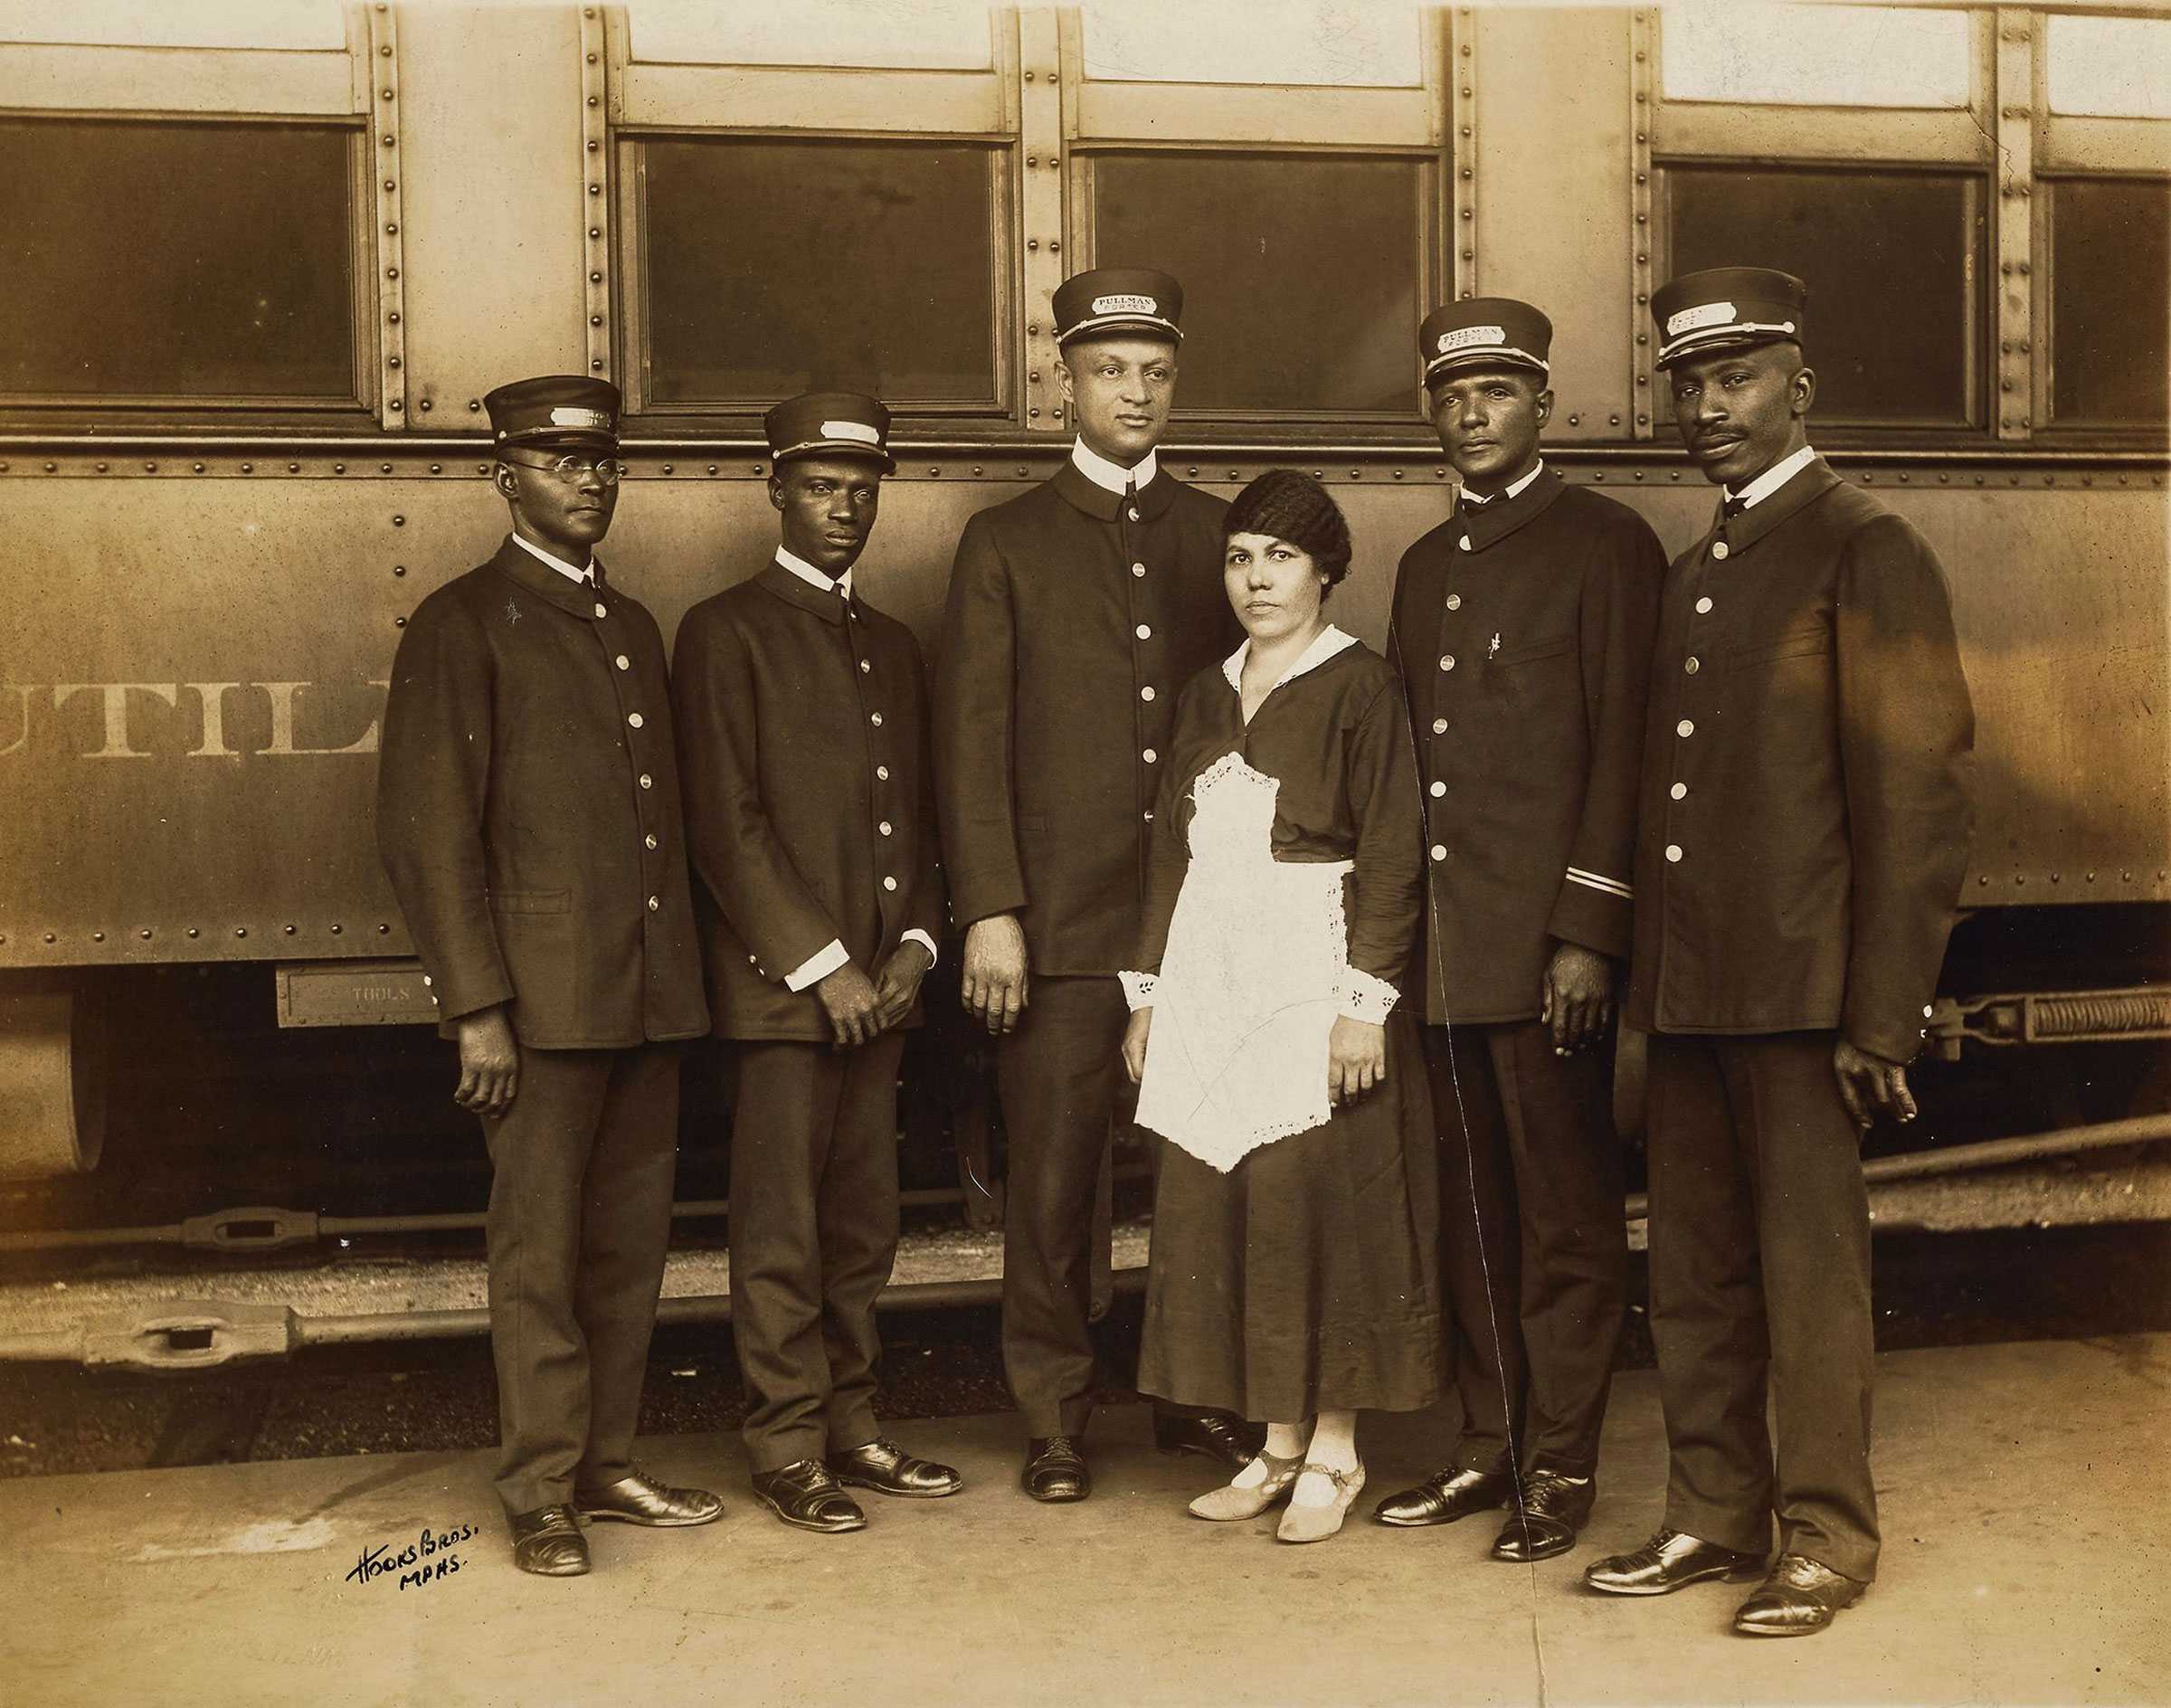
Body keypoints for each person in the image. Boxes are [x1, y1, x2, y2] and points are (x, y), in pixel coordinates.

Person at [1582, 269, 1973, 1634]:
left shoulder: (1865, 545)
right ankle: (1710, 1513)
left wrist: (1882, 1019)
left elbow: (1915, 804)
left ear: (1799, 386)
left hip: (1806, 999)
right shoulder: (1702, 571)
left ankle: (1827, 1536)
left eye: (1736, 379)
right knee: (1694, 1272)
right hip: (1693, 994)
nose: (1710, 409)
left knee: (1812, 1284)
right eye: (1691, 384)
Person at [376, 375, 721, 1578]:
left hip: (643, 995)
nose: (589, 480)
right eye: (560, 461)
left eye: (602, 462)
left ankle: (606, 1463)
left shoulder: (627, 625)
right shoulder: (462, 621)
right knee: (538, 1255)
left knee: (627, 1250)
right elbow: (430, 835)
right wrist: (477, 1007)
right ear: (504, 476)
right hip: (539, 1005)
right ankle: (539, 1484)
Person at [935, 267, 1255, 1501]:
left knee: (1200, 1176)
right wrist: (994, 912)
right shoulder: (1005, 540)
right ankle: (1056, 1415)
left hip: (1194, 924)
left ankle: (1197, 1402)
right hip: (1060, 930)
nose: (1135, 391)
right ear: (1064, 379)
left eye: (1155, 373)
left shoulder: (1218, 539)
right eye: (1111, 370)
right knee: (1054, 1186)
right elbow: (972, 744)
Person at [1374, 299, 1664, 1562]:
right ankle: (1498, 1443)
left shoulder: (1606, 544)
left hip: (1546, 955)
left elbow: (1628, 755)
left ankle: (1562, 1464)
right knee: (1471, 1217)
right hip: (1444, 956)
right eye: (1454, 395)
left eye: (1499, 391)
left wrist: (1588, 933)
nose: (1474, 414)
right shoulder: (1426, 567)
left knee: (1563, 1218)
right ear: (1431, 411)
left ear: (1543, 402)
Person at [1120, 470, 1441, 1543]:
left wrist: (1363, 1006)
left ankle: (1337, 1453)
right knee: (1240, 1206)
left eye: (1282, 557)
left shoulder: (1361, 686)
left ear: (1327, 570)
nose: (1257, 579)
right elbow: (1171, 852)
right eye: (1240, 556)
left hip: (1313, 973)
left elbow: (1393, 851)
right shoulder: (1208, 691)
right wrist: (1151, 997)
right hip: (1216, 978)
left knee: (1320, 1214)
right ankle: (1276, 1441)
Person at [672, 392, 961, 1534]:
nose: (847, 509)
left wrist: (920, 948)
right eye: (823, 488)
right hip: (789, 998)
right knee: (783, 1232)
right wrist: (824, 964)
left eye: (863, 489)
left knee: (860, 1228)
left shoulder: (889, 643)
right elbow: (723, 826)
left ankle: (853, 1425)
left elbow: (925, 820)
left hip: (879, 994)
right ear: (777, 491)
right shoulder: (724, 630)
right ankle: (787, 1444)